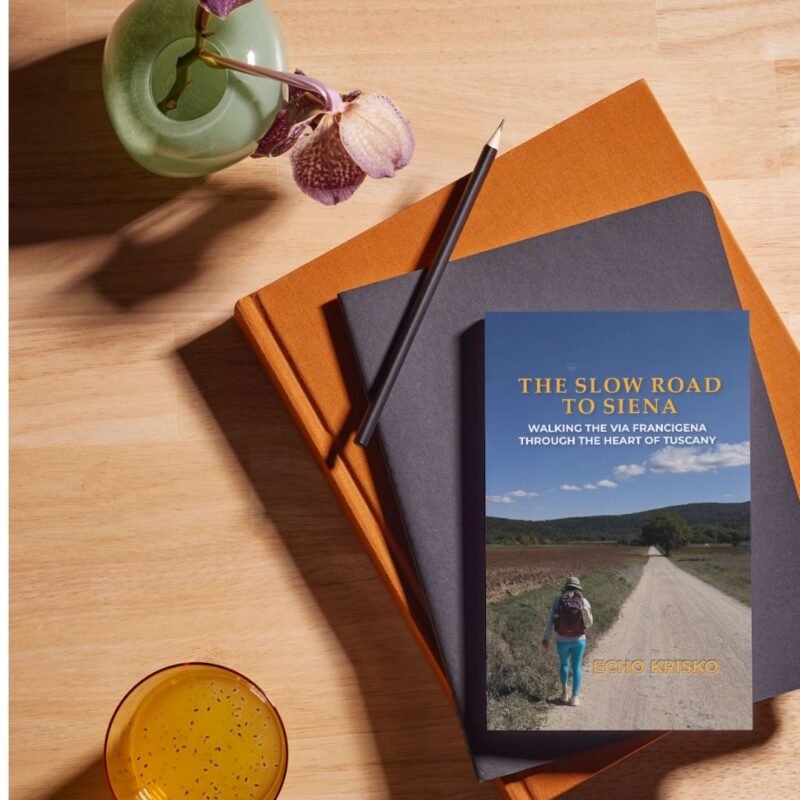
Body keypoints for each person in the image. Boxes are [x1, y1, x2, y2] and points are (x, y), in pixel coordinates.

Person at [540, 576, 593, 706]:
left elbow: (550, 622)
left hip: (562, 639)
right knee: (576, 667)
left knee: (564, 664)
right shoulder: (584, 601)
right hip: (579, 639)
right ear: (578, 588)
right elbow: (589, 622)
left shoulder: (558, 601)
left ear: (566, 587)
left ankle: (564, 694)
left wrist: (546, 638)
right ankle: (575, 697)